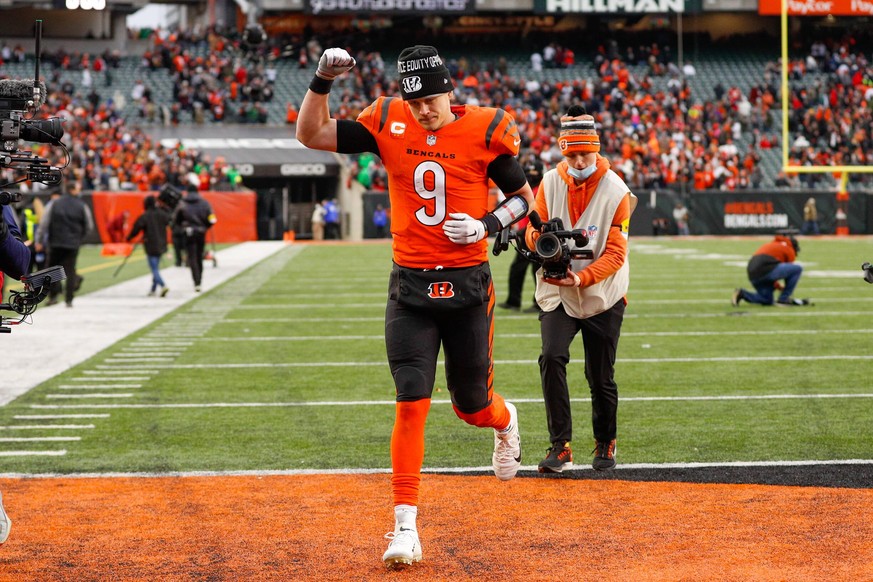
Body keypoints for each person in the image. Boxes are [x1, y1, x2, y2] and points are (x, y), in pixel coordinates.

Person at [297, 44, 535, 569]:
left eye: (430, 98)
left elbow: (525, 199)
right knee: (411, 399)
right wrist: (320, 82)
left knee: (472, 406)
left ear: (449, 89)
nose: (422, 109)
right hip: (410, 285)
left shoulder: (486, 128)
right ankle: (405, 524)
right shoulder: (387, 120)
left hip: (468, 284)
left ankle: (504, 418)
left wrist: (487, 225)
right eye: (413, 100)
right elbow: (311, 134)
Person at [524, 107, 636, 474]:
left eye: (583, 154)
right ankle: (561, 445)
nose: (577, 160)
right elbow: (532, 228)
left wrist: (583, 278)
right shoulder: (550, 181)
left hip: (602, 293)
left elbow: (617, 252)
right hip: (556, 289)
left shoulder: (617, 190)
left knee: (599, 375)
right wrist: (537, 238)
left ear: (596, 150)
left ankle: (605, 440)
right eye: (570, 154)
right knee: (551, 357)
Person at [498, 158, 543, 312]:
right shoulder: (527, 188)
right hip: (525, 233)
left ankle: (538, 303)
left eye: (533, 171)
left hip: (537, 232)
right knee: (520, 268)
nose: (530, 175)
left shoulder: (542, 189)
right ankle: (514, 301)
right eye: (528, 172)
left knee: (537, 268)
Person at [39, 184, 94, 307]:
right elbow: (89, 226)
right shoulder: (82, 205)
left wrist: (39, 240)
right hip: (73, 243)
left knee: (53, 270)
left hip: (55, 242)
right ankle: (69, 299)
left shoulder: (55, 203)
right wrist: (79, 238)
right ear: (72, 190)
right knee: (71, 270)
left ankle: (53, 296)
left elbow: (44, 223)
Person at [732, 230, 811, 307]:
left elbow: (774, 270)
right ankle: (783, 299)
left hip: (753, 273)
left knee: (767, 300)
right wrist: (785, 291)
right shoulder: (789, 249)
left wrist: (778, 286)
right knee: (797, 269)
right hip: (765, 269)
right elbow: (789, 271)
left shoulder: (773, 244)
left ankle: (742, 294)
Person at [173, 186, 216, 292]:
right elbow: (212, 218)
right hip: (201, 232)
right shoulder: (204, 203)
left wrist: (183, 227)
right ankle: (199, 280)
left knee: (192, 257)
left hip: (188, 232)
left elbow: (176, 219)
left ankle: (196, 281)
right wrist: (205, 227)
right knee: (199, 256)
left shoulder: (182, 203)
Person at [127, 195, 172, 297]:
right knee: (156, 267)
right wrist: (164, 207)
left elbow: (136, 228)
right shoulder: (162, 214)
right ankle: (153, 289)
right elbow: (170, 219)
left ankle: (163, 285)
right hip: (161, 244)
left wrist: (129, 237)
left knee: (154, 268)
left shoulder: (146, 216)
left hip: (151, 245)